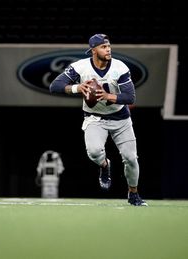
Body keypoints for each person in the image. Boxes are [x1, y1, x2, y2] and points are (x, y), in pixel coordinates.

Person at [49, 33, 148, 206]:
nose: (108, 49)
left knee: (131, 158)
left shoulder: (120, 67)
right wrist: (77, 87)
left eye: (109, 46)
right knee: (94, 152)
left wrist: (108, 95)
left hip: (120, 119)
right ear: (93, 50)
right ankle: (104, 165)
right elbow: (54, 86)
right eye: (103, 47)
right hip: (95, 118)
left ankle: (133, 193)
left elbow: (130, 97)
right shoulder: (80, 67)